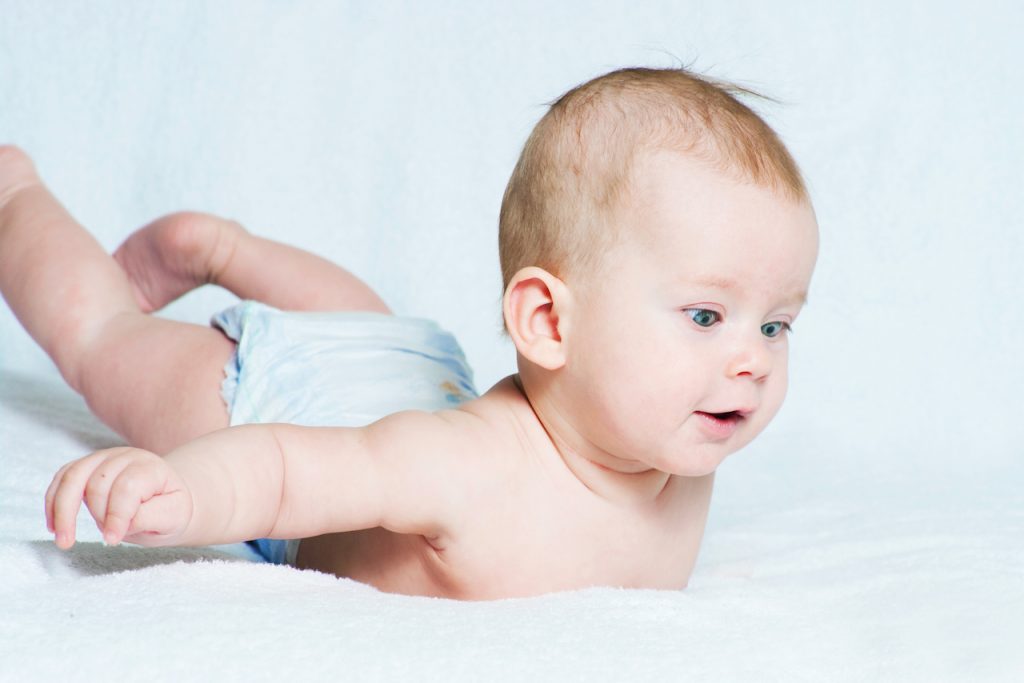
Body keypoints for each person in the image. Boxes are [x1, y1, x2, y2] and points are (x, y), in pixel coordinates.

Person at [0, 67, 818, 600]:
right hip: (278, 393)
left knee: (370, 328)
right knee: (102, 336)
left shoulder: (677, 447)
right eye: (707, 316)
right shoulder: (462, 468)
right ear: (546, 322)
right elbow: (286, 471)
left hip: (409, 364)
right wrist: (180, 492)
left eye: (776, 323)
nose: (751, 360)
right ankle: (15, 195)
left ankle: (225, 248)